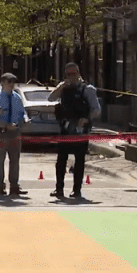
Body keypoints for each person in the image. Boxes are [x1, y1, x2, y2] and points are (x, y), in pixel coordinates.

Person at [48, 62, 101, 200]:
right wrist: (60, 86)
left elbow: (97, 109)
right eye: (68, 74)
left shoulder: (88, 89)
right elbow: (51, 98)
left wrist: (86, 119)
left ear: (79, 73)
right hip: (65, 129)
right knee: (61, 161)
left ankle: (76, 190)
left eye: (74, 73)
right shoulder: (64, 88)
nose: (71, 76)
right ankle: (59, 189)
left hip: (80, 130)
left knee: (79, 161)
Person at [0, 73, 28, 197]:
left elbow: (23, 113)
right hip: (0, 133)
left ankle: (14, 186)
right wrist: (5, 126)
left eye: (13, 82)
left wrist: (24, 121)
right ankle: (0, 187)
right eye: (9, 82)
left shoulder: (17, 97)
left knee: (15, 160)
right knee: (0, 160)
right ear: (2, 83)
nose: (11, 84)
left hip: (15, 133)